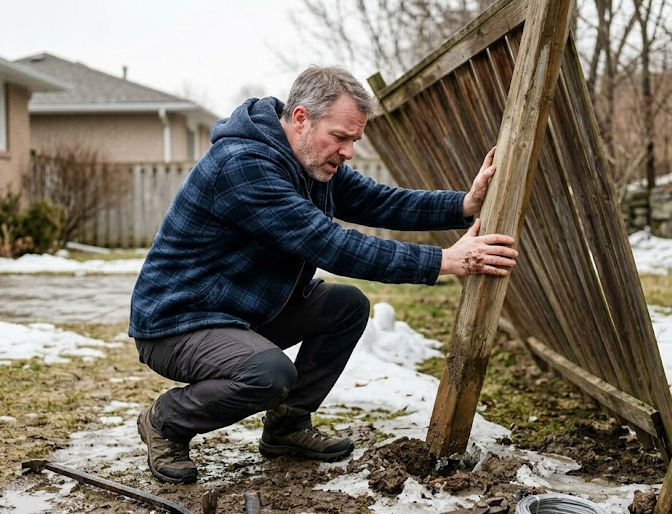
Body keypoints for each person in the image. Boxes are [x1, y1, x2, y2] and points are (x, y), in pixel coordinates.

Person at [129, 65, 518, 485]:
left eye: (354, 139)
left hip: (241, 313)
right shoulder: (244, 166)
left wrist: (462, 204)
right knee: (268, 374)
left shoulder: (310, 162)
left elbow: (379, 201)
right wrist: (443, 261)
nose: (348, 151)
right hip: (178, 323)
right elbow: (330, 245)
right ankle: (165, 422)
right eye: (340, 137)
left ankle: (287, 427)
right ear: (301, 119)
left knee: (345, 306)